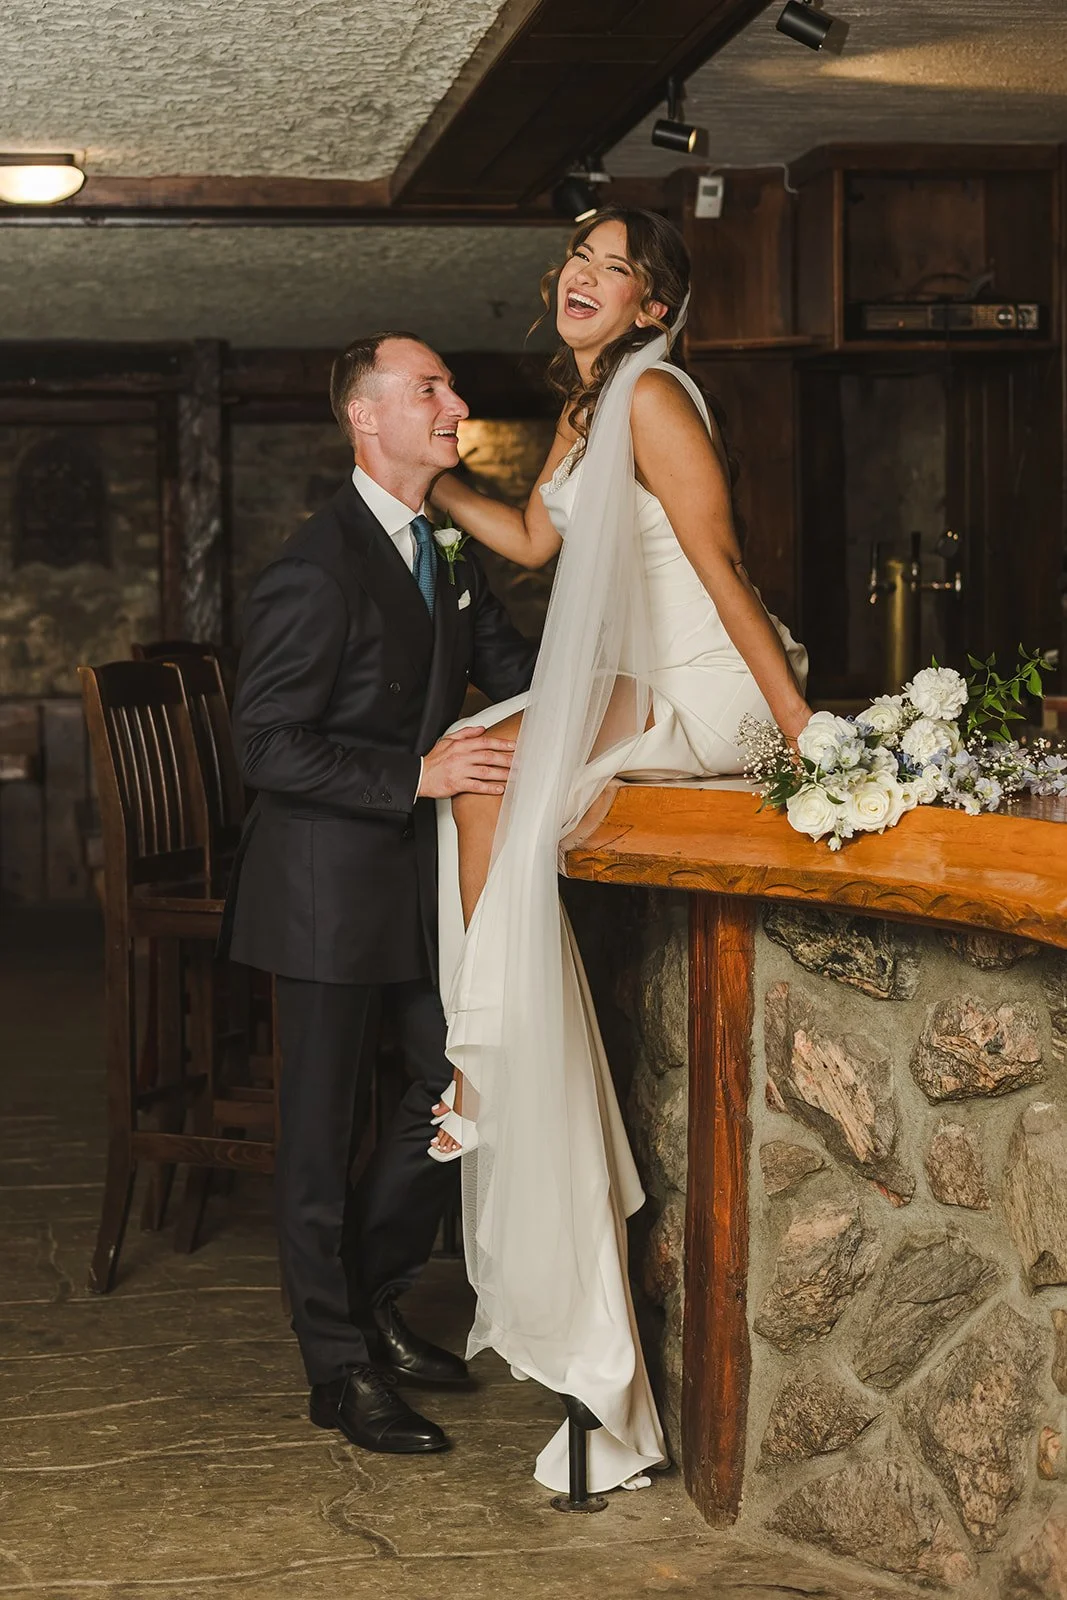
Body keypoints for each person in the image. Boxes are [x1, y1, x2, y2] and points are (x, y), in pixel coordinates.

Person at [425, 207, 810, 1492]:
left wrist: (808, 732)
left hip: (703, 685)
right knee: (480, 762)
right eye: (573, 261)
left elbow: (719, 562)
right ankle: (482, 1055)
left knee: (490, 756)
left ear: (652, 305)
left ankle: (475, 1062)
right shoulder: (585, 416)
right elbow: (538, 544)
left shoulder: (651, 398)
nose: (580, 278)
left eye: (612, 268)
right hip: (631, 681)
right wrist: (429, 485)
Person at [221, 332, 537, 1457]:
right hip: (317, 888)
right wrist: (418, 775)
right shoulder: (317, 563)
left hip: (413, 881)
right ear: (366, 418)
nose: (456, 402)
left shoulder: (445, 544)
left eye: (450, 385)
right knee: (313, 1136)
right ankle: (337, 1368)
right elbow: (263, 744)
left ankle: (375, 1296)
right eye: (430, 389)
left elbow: (517, 675)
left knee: (452, 1087)